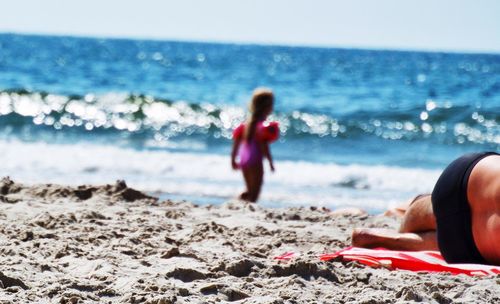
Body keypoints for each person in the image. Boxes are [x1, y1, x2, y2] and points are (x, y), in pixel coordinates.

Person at [352, 152, 500, 265]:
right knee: (445, 239)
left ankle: (403, 215)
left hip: (468, 176)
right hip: (465, 245)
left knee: (429, 209)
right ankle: (392, 238)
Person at [231, 88, 278, 202]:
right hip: (255, 159)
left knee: (249, 190)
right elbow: (263, 145)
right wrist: (270, 162)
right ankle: (238, 204)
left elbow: (236, 143)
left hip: (244, 159)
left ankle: (237, 202)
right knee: (255, 193)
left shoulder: (246, 124)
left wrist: (233, 159)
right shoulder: (262, 126)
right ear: (267, 107)